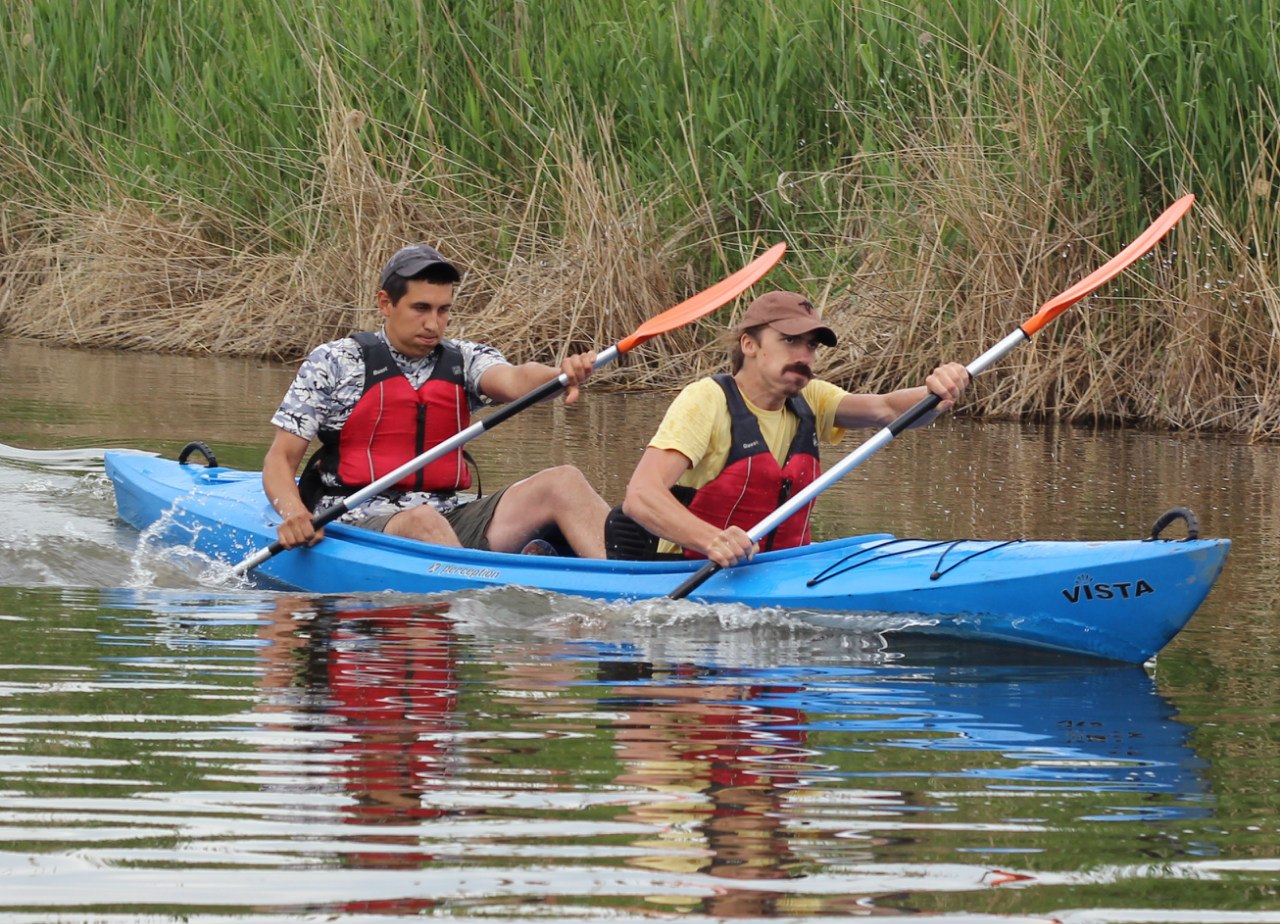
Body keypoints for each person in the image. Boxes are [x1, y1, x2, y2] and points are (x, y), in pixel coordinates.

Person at [263, 242, 611, 557]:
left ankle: (631, 583)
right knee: (422, 521)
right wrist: (295, 514)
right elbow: (280, 460)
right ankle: (482, 596)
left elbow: (516, 379)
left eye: (444, 310)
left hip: (450, 518)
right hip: (359, 523)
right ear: (385, 303)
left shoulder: (465, 358)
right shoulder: (333, 362)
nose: (434, 324)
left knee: (563, 481)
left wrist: (560, 375)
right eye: (421, 308)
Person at [617, 290, 970, 567]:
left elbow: (888, 409)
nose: (805, 356)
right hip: (688, 569)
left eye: (811, 345)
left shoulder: (811, 398)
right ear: (749, 345)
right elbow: (641, 496)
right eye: (790, 341)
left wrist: (935, 392)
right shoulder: (706, 400)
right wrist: (712, 540)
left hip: (781, 566)